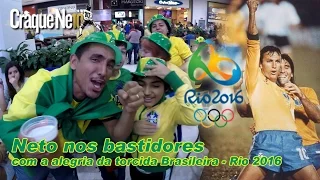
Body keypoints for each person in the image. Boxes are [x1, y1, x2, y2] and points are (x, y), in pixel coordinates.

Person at [0, 32, 145, 180]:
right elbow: (9, 125)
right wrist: (24, 147)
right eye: (95, 59)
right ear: (74, 61)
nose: (103, 71)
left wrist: (129, 110)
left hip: (62, 152)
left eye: (109, 64)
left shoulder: (101, 95)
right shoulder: (43, 86)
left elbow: (117, 135)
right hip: (29, 161)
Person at [237, 1, 320, 179]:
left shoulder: (291, 91)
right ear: (260, 66)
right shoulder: (257, 81)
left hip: (293, 142)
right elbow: (252, 42)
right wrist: (252, 12)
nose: (277, 67)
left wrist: (300, 95)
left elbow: (316, 117)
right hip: (267, 142)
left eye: (280, 63)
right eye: (270, 61)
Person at [235, 54, 320, 176]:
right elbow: (244, 112)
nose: (283, 70)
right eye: (280, 66)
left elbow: (317, 117)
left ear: (292, 74)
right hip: (277, 149)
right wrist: (236, 89)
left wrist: (301, 96)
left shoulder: (306, 91)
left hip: (310, 147)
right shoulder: (267, 93)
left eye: (287, 66)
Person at [129, 57, 211, 179]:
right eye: (142, 84)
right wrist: (132, 127)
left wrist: (173, 79)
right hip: (134, 166)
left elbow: (198, 116)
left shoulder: (172, 106)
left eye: (155, 86)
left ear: (166, 88)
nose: (146, 92)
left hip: (161, 169)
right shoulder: (133, 102)